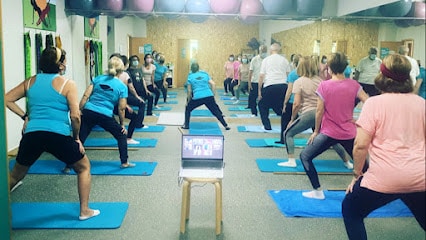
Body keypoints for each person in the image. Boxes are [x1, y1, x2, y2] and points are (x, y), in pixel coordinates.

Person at [5, 46, 99, 220]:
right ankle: (84, 210)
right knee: (84, 167)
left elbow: (7, 98)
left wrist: (25, 117)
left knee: (16, 175)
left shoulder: (30, 81)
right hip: (58, 135)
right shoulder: (67, 84)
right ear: (60, 65)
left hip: (32, 134)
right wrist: (77, 139)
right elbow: (75, 116)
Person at [342, 54, 425, 240]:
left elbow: (360, 146)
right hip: (420, 178)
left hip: (384, 179)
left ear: (382, 77)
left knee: (350, 209)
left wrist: (357, 176)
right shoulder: (422, 104)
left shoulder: (373, 104)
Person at [299, 52, 369, 200]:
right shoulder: (354, 85)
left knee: (305, 156)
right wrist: (359, 120)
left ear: (329, 68)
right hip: (349, 133)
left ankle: (317, 192)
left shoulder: (324, 85)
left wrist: (316, 131)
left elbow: (319, 111)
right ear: (345, 67)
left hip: (328, 133)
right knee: (364, 166)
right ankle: (369, 192)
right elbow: (369, 102)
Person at [277, 56, 354, 169]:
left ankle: (291, 160)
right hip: (323, 114)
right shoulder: (321, 81)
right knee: (332, 138)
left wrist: (292, 119)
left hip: (309, 114)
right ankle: (347, 162)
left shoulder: (299, 82)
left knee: (288, 133)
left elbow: (296, 104)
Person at [78, 56, 135, 168]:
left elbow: (85, 96)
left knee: (80, 138)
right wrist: (122, 124)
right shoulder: (122, 87)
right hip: (105, 115)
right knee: (121, 135)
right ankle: (124, 162)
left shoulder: (98, 78)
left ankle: (69, 165)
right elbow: (121, 108)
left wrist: (80, 110)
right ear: (121, 70)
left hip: (89, 111)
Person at [182, 62, 230, 131]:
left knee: (188, 109)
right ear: (199, 68)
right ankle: (225, 125)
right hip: (208, 95)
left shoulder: (190, 77)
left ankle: (186, 125)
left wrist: (188, 101)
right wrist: (213, 95)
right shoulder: (205, 74)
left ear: (191, 69)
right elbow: (213, 84)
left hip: (198, 97)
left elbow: (189, 91)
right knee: (215, 111)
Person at [258, 43, 291, 130]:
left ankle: (267, 126)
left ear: (270, 50)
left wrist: (259, 91)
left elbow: (261, 76)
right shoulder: (285, 60)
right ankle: (290, 126)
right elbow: (289, 75)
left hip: (269, 85)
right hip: (283, 86)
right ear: (279, 50)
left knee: (262, 105)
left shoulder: (266, 60)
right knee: (282, 105)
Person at [114, 54, 146, 144]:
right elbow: (129, 89)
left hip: (110, 104)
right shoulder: (124, 74)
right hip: (116, 102)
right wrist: (126, 105)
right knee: (133, 117)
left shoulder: (105, 76)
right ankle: (128, 138)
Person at [275, 54, 301, 144]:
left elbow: (289, 90)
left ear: (294, 63)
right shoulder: (308, 74)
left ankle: (283, 139)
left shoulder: (293, 74)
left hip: (293, 101)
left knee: (285, 120)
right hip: (305, 102)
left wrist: (285, 103)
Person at [248, 45, 267, 117]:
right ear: (259, 51)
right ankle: (254, 112)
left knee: (264, 99)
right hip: (255, 81)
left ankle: (263, 113)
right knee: (252, 98)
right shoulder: (254, 59)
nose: (263, 52)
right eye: (262, 51)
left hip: (265, 82)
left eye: (265, 51)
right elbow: (250, 71)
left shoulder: (267, 59)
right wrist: (249, 83)